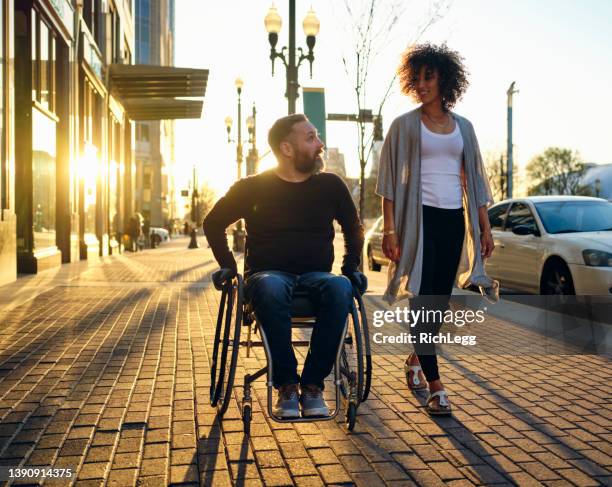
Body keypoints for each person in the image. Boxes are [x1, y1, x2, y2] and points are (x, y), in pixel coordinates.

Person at [204, 114, 366, 418]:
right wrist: (228, 266)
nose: (320, 144)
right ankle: (287, 386)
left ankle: (313, 386)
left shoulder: (330, 185)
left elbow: (354, 227)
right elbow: (213, 223)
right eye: (310, 138)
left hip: (318, 276)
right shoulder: (252, 187)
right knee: (270, 285)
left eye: (316, 136)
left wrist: (350, 267)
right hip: (268, 276)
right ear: (287, 148)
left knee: (340, 287)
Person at [376, 44, 498, 416]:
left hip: (451, 222)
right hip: (419, 220)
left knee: (439, 304)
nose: (423, 83)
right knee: (422, 302)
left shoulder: (464, 128)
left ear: (445, 78)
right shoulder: (404, 126)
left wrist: (484, 228)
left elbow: (475, 181)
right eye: (418, 77)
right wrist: (390, 231)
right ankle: (436, 386)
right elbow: (389, 183)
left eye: (430, 76)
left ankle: (416, 357)